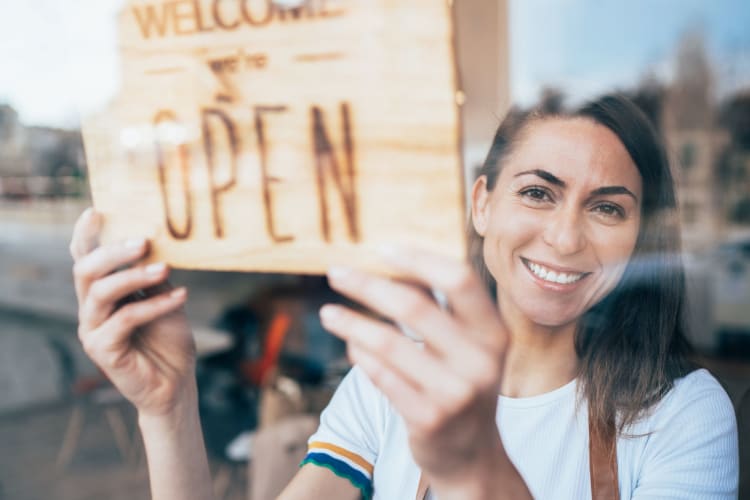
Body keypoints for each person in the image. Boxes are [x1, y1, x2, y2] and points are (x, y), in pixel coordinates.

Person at [70, 94, 738, 500]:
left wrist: (477, 469)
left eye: (608, 209)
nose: (564, 238)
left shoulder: (683, 416)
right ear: (482, 204)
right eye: (537, 191)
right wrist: (168, 407)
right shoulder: (392, 379)